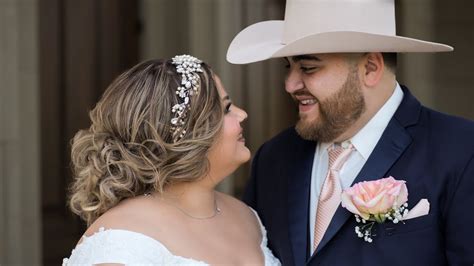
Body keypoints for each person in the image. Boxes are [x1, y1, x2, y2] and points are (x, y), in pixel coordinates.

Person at [226, 0, 474, 265]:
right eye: (288, 67)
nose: (290, 84)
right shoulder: (273, 158)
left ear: (370, 68)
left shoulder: (461, 150)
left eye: (308, 68)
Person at [62, 55, 281, 265]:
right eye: (226, 109)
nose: (242, 114)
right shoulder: (122, 241)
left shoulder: (246, 215)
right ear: (187, 134)